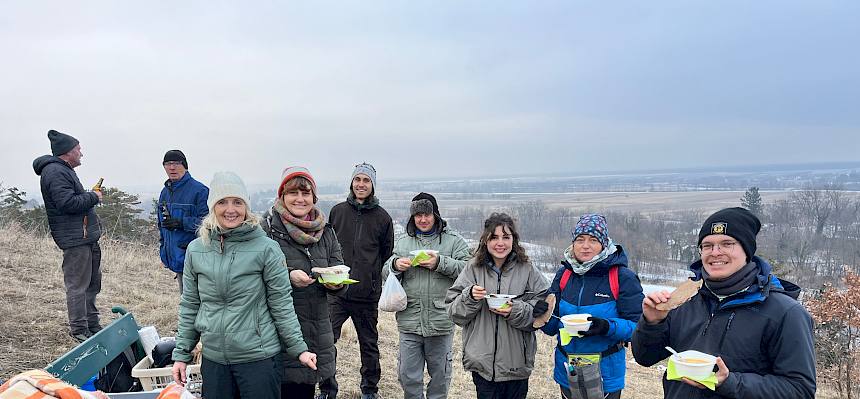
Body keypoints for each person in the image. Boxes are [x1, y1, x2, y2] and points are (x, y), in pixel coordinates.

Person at [632, 207, 816, 398]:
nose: (715, 252)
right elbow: (645, 357)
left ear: (747, 250)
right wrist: (652, 323)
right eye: (707, 245)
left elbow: (800, 390)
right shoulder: (685, 299)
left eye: (727, 243)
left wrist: (729, 383)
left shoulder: (785, 313)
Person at [171, 171, 317, 399]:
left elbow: (281, 304)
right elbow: (190, 304)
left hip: (258, 358)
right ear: (212, 207)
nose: (231, 209)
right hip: (214, 359)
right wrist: (181, 354)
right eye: (223, 202)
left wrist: (299, 348)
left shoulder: (267, 248)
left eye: (238, 202)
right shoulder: (196, 249)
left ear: (246, 207)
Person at [261, 167, 348, 399]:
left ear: (313, 197)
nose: (300, 199)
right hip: (277, 330)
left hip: (316, 327)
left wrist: (336, 282)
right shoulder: (267, 231)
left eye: (306, 193)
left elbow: (339, 269)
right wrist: (287, 276)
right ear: (282, 196)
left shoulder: (326, 232)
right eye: (293, 193)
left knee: (303, 388)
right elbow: (254, 275)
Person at [446, 212, 550, 399]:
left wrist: (515, 309)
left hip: (516, 363)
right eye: (494, 237)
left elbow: (544, 307)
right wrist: (469, 297)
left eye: (506, 237)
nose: (500, 243)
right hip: (483, 364)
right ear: (485, 240)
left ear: (514, 240)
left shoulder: (527, 269)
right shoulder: (473, 268)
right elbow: (454, 312)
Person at [541, 214, 644, 399]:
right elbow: (552, 327)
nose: (585, 245)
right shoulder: (564, 275)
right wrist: (541, 315)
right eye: (580, 239)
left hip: (605, 374)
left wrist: (606, 326)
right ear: (573, 243)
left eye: (593, 240)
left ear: (604, 244)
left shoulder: (622, 277)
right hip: (568, 371)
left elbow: (638, 329)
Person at [383, 192, 472, 399]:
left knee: (440, 377)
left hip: (441, 321)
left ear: (436, 215)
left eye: (427, 214)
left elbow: (469, 270)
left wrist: (439, 263)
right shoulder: (404, 241)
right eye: (418, 215)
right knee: (408, 376)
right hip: (409, 320)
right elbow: (385, 272)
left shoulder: (453, 241)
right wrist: (395, 265)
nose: (423, 220)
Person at [324, 162, 394, 399]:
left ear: (372, 185)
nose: (361, 185)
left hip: (366, 293)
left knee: (369, 346)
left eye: (366, 181)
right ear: (351, 183)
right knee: (326, 342)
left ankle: (369, 389)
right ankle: (326, 388)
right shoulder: (337, 211)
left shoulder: (383, 218)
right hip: (337, 291)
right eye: (357, 180)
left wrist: (371, 277)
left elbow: (386, 252)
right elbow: (328, 245)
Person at [32, 129, 103, 342]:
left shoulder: (63, 170)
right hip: (75, 239)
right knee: (78, 285)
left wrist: (88, 196)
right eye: (78, 149)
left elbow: (71, 198)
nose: (81, 153)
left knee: (92, 283)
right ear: (67, 152)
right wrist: (93, 196)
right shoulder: (55, 171)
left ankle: (92, 324)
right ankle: (80, 330)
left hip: (85, 237)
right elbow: (67, 203)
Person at [157, 149, 209, 294]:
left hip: (196, 259)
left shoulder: (200, 191)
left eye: (176, 163)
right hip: (176, 258)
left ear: (185, 165)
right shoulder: (165, 192)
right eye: (167, 163)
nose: (172, 167)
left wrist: (182, 223)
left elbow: (209, 224)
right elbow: (161, 226)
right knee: (186, 301)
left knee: (199, 301)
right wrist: (163, 248)